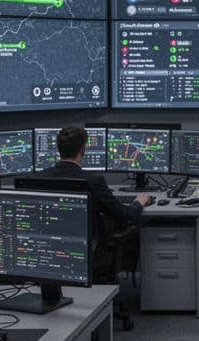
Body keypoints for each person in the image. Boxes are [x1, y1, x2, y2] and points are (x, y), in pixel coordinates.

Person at [37, 125, 150, 329]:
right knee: (132, 227)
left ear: (58, 149)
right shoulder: (93, 181)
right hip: (88, 253)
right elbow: (123, 215)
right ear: (83, 150)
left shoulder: (38, 179)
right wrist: (138, 202)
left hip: (48, 253)